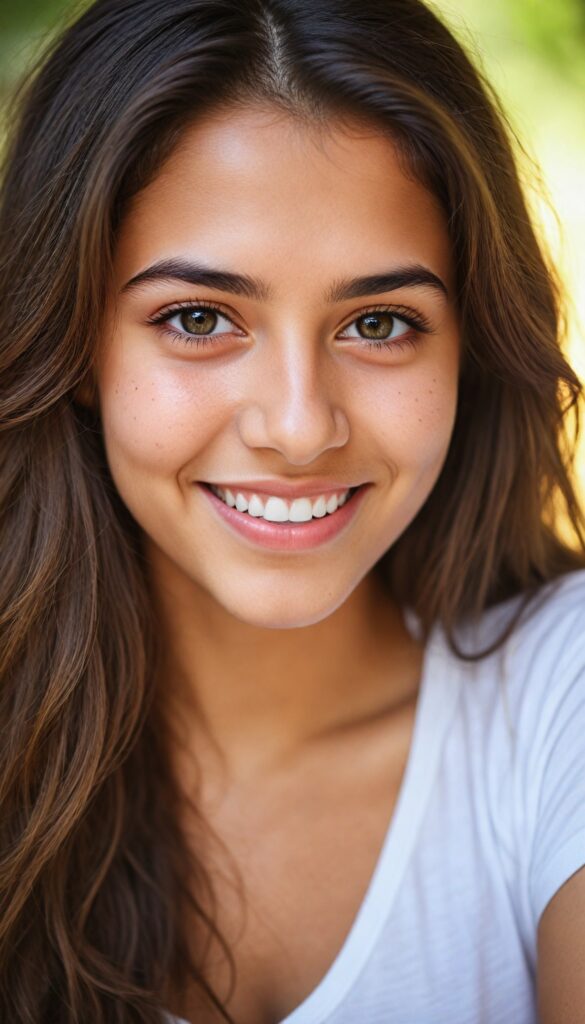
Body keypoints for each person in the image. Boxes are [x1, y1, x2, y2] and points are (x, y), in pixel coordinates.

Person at [1, 0, 584, 1021]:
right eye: (199, 318)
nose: (300, 426)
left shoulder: (558, 696)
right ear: (75, 347)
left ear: (471, 344)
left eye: (379, 323)